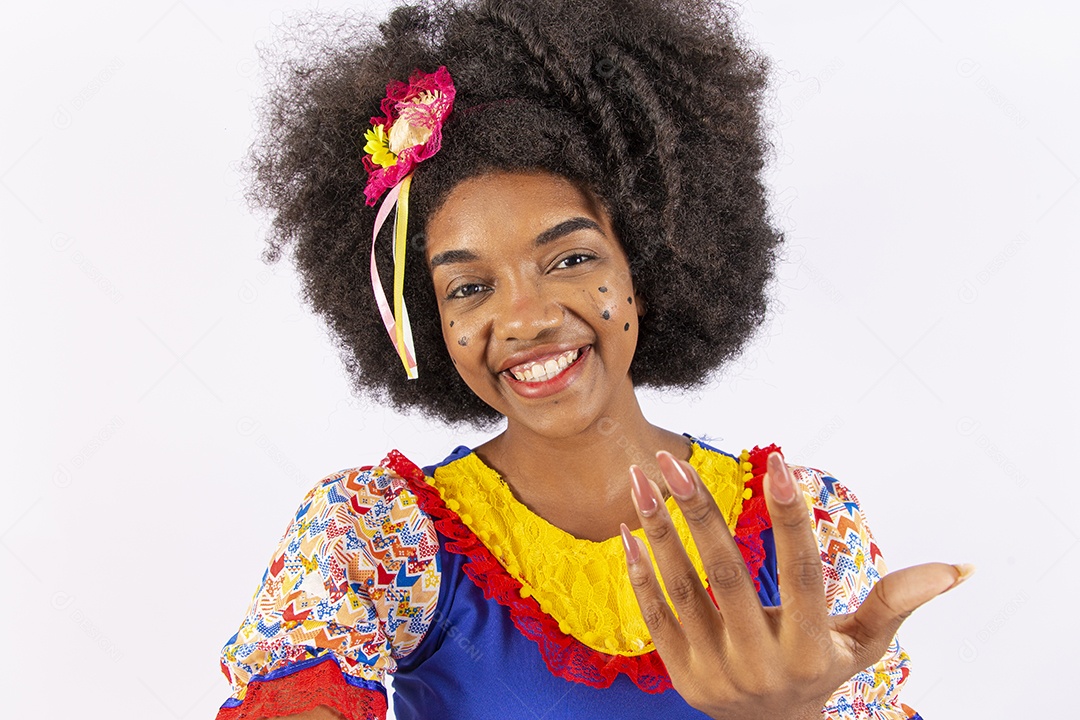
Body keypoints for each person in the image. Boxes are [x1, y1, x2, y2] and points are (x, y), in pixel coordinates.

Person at [216, 0, 969, 717]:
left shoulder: (805, 526)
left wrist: (788, 716)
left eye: (570, 259)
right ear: (430, 321)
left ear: (645, 263)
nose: (527, 319)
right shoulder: (378, 537)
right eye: (469, 286)